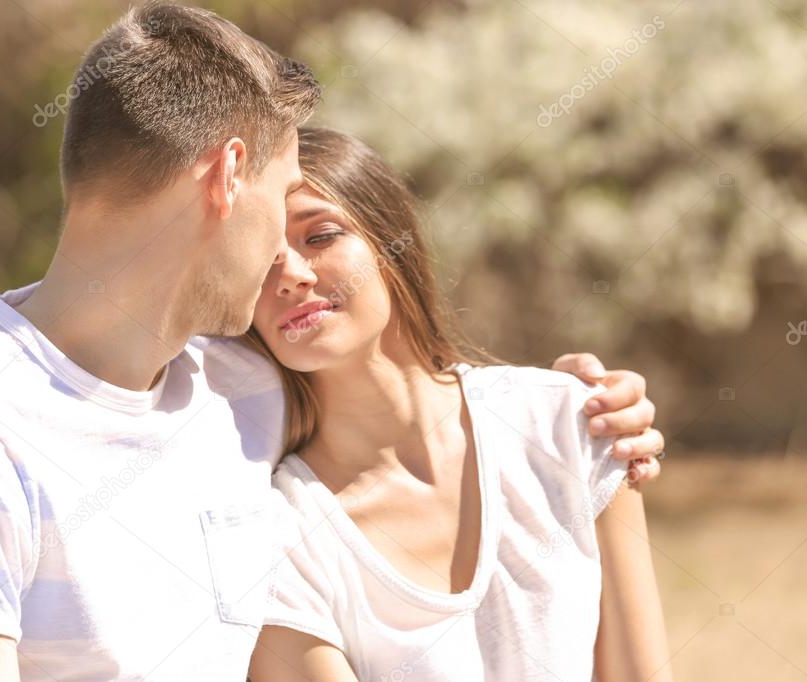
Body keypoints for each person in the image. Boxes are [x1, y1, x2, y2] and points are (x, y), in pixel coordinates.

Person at [0, 3, 662, 680]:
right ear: (229, 176)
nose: (284, 263)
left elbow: (411, 398)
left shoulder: (237, 390)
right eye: (279, 198)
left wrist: (585, 409)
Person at [247, 128, 671, 681]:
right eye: (260, 258)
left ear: (389, 243)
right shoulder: (278, 537)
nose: (291, 276)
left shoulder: (569, 420)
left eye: (321, 236)